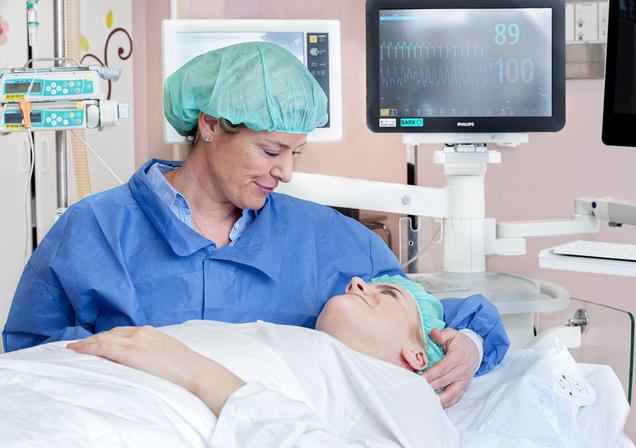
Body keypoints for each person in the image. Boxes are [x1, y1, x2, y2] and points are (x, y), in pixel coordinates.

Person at [3, 42, 508, 407]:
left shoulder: (327, 239)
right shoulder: (93, 231)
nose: (285, 172)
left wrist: (470, 345)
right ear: (209, 125)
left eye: (296, 152)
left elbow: (427, 315)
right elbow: (28, 365)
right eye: (270, 150)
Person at [65, 275, 461, 446]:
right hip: (76, 376)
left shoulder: (407, 392)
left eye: (388, 294)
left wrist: (198, 372)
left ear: (417, 354)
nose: (357, 283)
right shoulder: (305, 350)